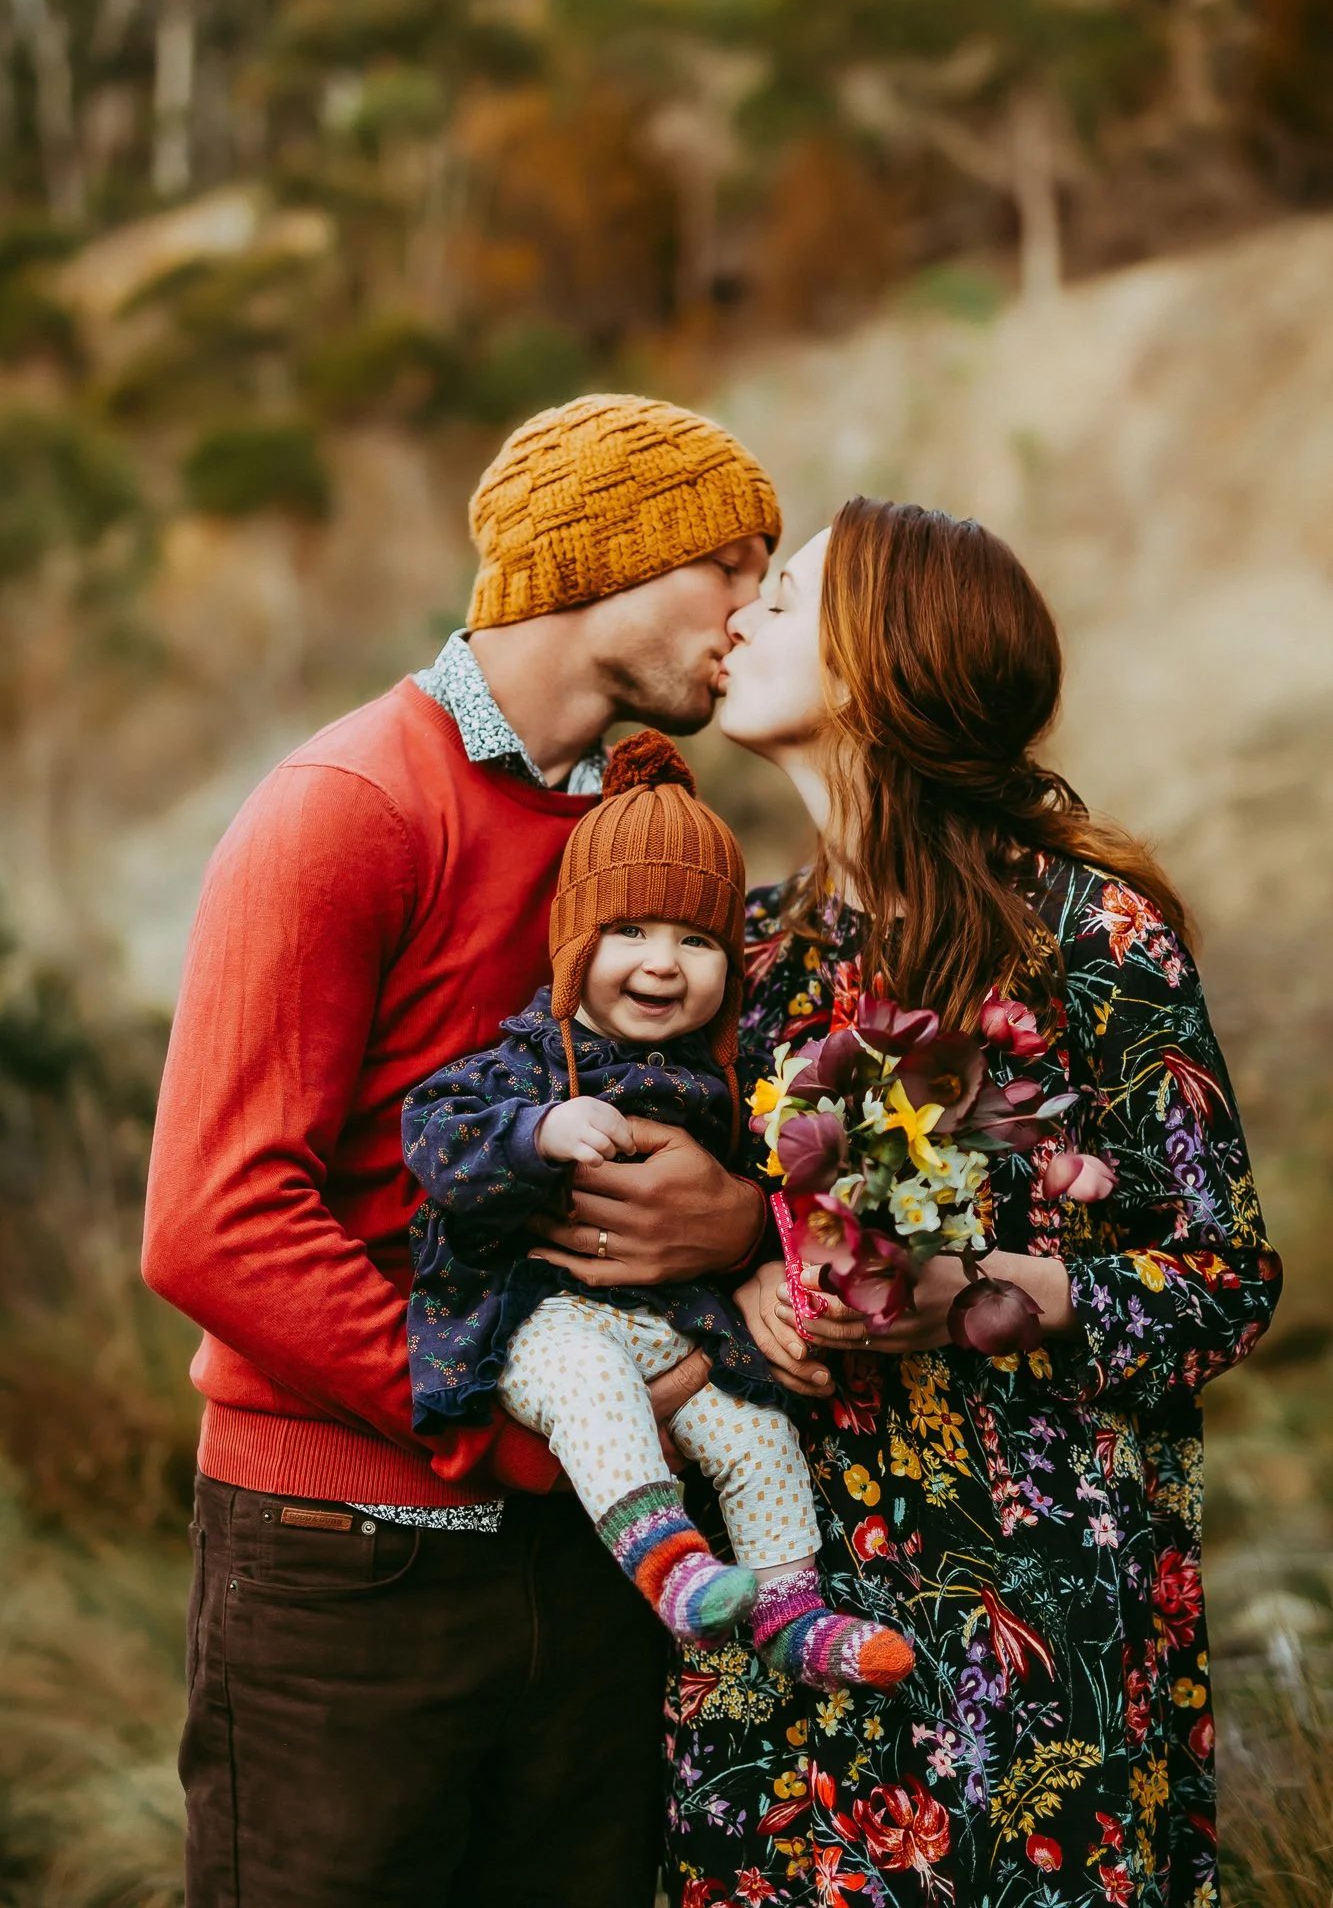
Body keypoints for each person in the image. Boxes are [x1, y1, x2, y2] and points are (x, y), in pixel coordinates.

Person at [141, 393, 783, 1908]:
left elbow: (704, 1130)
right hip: (352, 1562)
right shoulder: (351, 806)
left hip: (598, 1556)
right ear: (607, 561)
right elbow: (214, 1224)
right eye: (731, 566)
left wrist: (737, 1223)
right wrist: (512, 1428)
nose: (753, 613)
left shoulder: (630, 840)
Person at [658, 500, 1282, 1907]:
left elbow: (1226, 1284)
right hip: (786, 1630)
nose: (742, 613)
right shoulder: (744, 959)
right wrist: (745, 1277)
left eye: (787, 594)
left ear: (882, 657)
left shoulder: (1087, 935)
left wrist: (978, 1294)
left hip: (1036, 1631)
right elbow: (665, 1247)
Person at [401, 728, 914, 1689]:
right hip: (537, 1319)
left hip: (673, 1325)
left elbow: (773, 1193)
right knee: (591, 1388)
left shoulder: (724, 1082)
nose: (663, 963)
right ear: (575, 942)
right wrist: (537, 1133)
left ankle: (789, 1613)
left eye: (697, 940)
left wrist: (763, 1240)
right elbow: (434, 1138)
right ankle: (674, 1573)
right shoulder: (525, 1062)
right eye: (628, 931)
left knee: (755, 1429)